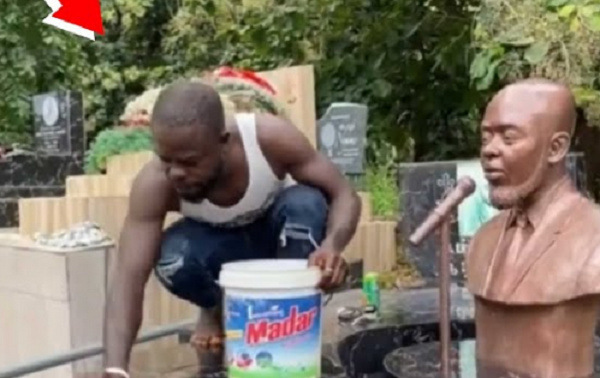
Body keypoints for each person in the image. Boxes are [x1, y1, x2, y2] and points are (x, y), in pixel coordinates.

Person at [101, 80, 362, 377]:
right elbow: (128, 278)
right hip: (222, 255)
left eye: (189, 162)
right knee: (173, 258)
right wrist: (115, 367)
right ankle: (215, 308)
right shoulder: (154, 183)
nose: (176, 173)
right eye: (166, 160)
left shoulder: (268, 138)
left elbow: (344, 193)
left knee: (306, 202)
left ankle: (293, 321)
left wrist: (333, 245)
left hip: (282, 243)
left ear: (223, 141)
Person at [466, 78, 600, 377]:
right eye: (486, 138)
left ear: (556, 148)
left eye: (508, 138)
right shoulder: (483, 239)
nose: (490, 151)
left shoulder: (594, 238)